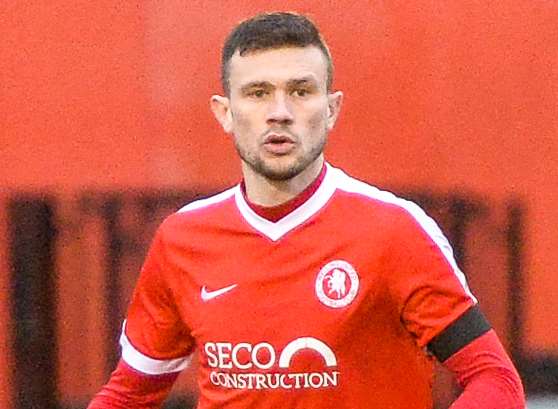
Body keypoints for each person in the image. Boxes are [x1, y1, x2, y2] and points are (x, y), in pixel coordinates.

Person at [88, 11, 525, 409]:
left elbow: (495, 378)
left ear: (332, 109)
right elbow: (128, 396)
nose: (279, 113)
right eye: (257, 93)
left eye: (300, 91)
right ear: (224, 113)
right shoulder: (182, 239)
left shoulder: (393, 231)